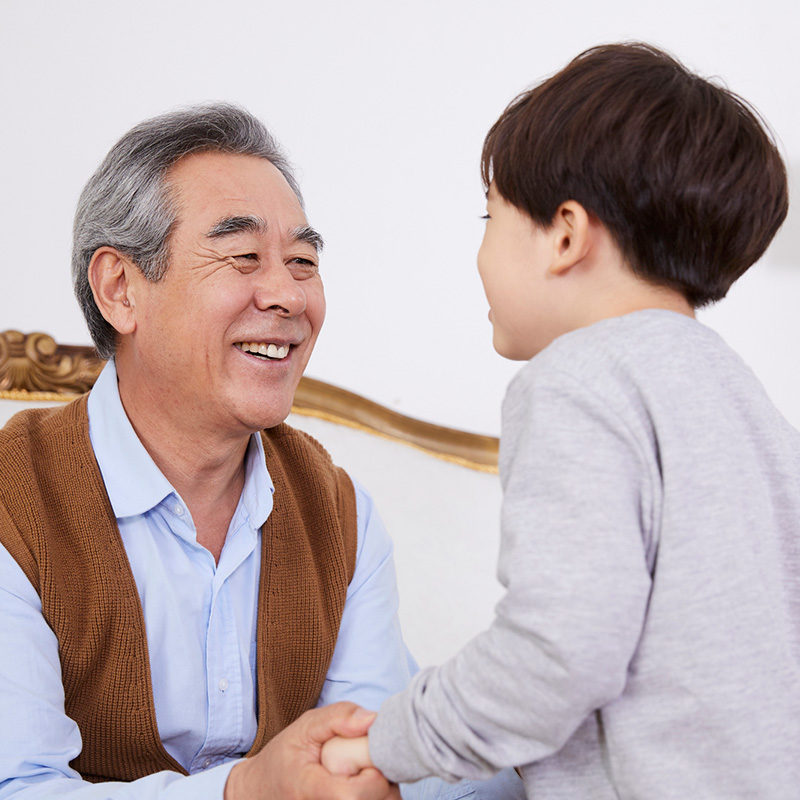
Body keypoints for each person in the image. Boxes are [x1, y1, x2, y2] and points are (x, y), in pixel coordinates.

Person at [0, 104, 522, 800]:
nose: (286, 295)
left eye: (303, 262)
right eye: (242, 256)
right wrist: (247, 789)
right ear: (120, 290)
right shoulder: (13, 502)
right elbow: (18, 787)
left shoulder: (339, 513)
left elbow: (370, 771)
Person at [320, 42, 800, 798]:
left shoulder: (577, 383)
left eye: (491, 215)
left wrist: (390, 742)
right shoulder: (746, 400)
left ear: (566, 235)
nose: (481, 250)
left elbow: (556, 652)